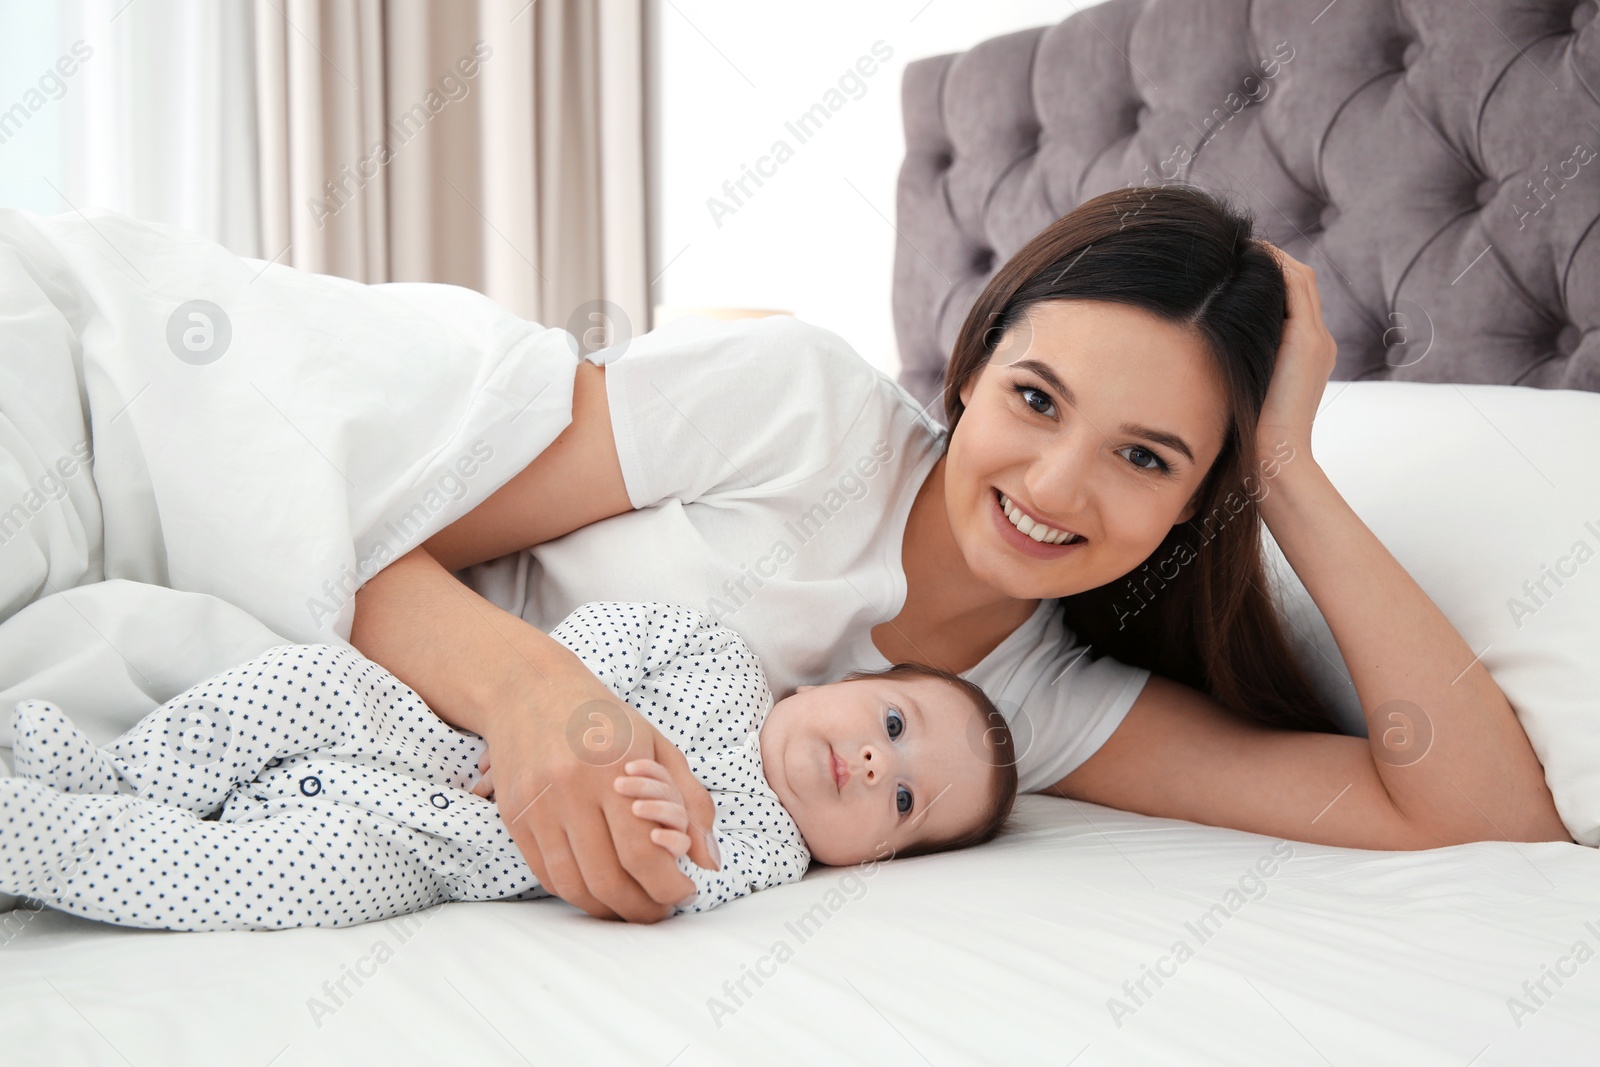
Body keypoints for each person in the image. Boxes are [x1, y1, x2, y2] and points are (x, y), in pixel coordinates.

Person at [348, 183, 1571, 925]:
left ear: (1201, 500)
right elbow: (370, 546)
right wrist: (541, 700)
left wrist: (1287, 473)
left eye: (1146, 459)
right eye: (1036, 399)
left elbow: (1482, 814)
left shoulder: (1039, 710)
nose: (1051, 487)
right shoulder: (798, 403)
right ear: (975, 365)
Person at [0, 601, 1015, 931]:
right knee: (297, 682)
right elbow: (609, 631)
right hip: (419, 732)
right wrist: (575, 718)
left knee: (246, 876)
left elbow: (669, 887)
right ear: (839, 678)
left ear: (873, 857)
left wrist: (670, 818)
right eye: (894, 717)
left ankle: (32, 838)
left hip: (431, 844)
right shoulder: (715, 654)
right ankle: (76, 768)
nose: (879, 758)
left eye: (906, 798)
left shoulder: (767, 850)